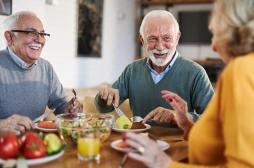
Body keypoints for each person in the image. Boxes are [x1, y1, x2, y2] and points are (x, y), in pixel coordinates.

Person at [125, 0, 254, 167]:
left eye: (216, 34)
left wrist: (163, 163)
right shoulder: (245, 68)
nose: (213, 46)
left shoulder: (240, 71)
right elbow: (220, 140)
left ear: (235, 33)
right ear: (142, 40)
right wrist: (186, 123)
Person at [95, 10, 214, 126]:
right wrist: (104, 96)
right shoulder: (132, 71)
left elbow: (214, 119)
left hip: (179, 143)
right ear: (142, 40)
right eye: (152, 39)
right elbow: (104, 108)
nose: (160, 47)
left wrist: (179, 117)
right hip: (139, 142)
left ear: (177, 38)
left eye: (167, 38)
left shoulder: (196, 73)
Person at [0, 11, 82, 135]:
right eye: (31, 32)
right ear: (9, 37)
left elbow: (61, 107)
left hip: (37, 145)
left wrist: (71, 109)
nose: (39, 39)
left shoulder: (46, 67)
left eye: (42, 34)